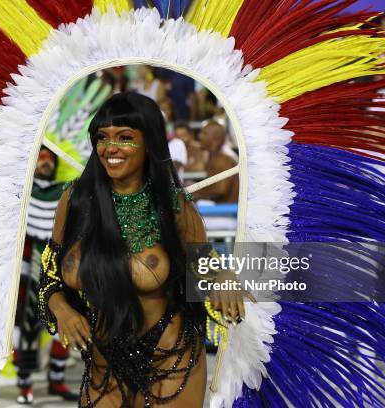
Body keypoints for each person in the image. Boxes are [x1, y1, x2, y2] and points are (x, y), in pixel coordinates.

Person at [37, 92, 244, 407]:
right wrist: (63, 309)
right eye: (102, 138)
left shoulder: (174, 206)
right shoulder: (76, 200)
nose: (111, 148)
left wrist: (223, 277)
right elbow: (49, 275)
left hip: (170, 357)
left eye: (125, 137)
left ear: (150, 142)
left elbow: (203, 266)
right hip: (103, 361)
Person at [15, 146, 79, 404]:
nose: (45, 163)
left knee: (64, 323)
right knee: (26, 328)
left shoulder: (66, 191)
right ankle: (25, 385)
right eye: (40, 158)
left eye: (49, 159)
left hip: (59, 267)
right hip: (28, 269)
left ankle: (57, 380)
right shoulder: (22, 190)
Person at [194, 121, 239, 204]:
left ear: (216, 139)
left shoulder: (223, 158)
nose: (199, 136)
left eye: (204, 133)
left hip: (225, 213)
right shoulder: (216, 156)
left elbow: (220, 189)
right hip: (220, 209)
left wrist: (195, 192)